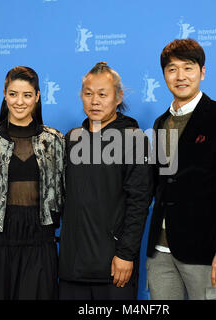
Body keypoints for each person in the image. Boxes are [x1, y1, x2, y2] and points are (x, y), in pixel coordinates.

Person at [146, 39, 216, 300]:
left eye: (188, 68)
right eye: (172, 69)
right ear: (164, 75)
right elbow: (160, 183)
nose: (180, 76)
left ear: (202, 72)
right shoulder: (161, 123)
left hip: (206, 252)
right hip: (160, 251)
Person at [0, 66, 65, 300]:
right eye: (13, 94)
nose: (20, 102)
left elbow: (70, 194)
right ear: (5, 95)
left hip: (40, 241)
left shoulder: (56, 142)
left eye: (27, 95)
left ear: (37, 97)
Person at [58, 62, 153, 300]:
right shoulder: (71, 139)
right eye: (88, 94)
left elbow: (139, 203)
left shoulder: (134, 140)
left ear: (118, 97)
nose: (94, 101)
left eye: (102, 94)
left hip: (114, 268)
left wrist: (126, 254)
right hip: (71, 268)